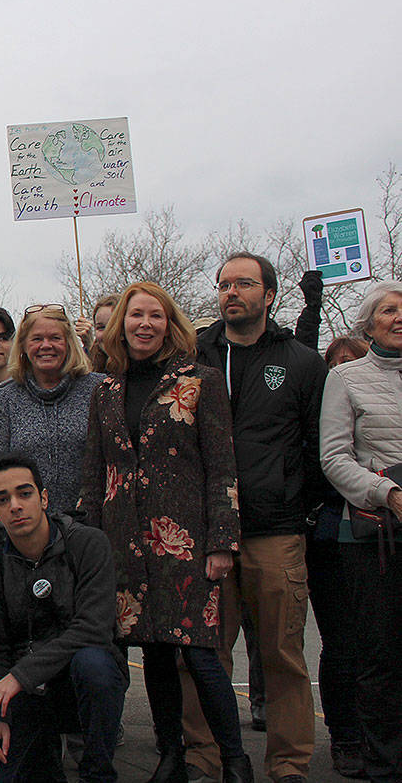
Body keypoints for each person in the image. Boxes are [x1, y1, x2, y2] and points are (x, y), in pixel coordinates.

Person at [80, 281, 253, 783]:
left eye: (155, 316)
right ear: (121, 325)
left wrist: (223, 541)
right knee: (153, 653)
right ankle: (170, 753)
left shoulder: (198, 382)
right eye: (136, 316)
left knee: (200, 654)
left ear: (169, 325)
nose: (145, 325)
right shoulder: (104, 390)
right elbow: (96, 472)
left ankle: (235, 759)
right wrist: (90, 543)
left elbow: (223, 467)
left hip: (185, 542)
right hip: (122, 543)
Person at [183, 253, 323, 783]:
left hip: (275, 531)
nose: (230, 292)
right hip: (203, 534)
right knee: (203, 654)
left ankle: (288, 765)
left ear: (269, 294)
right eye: (222, 284)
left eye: (244, 283)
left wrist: (293, 500)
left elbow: (315, 444)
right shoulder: (191, 355)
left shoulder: (301, 361)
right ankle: (204, 758)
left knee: (283, 657)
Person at [0, 453, 127, 783]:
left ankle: (98, 772)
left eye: (24, 493)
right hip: (26, 699)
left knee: (94, 664)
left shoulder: (88, 544)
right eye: (3, 499)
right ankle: (43, 760)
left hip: (79, 686)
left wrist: (21, 675)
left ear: (43, 498)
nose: (15, 505)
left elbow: (93, 628)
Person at [320, 283, 402, 782]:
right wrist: (387, 493)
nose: (399, 318)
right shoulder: (347, 378)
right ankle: (385, 762)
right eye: (389, 311)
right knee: (382, 655)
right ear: (369, 323)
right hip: (377, 538)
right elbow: (334, 457)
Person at [304, 334, 369, 779]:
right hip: (329, 536)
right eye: (335, 363)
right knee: (341, 643)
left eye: (352, 361)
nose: (342, 368)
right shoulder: (316, 415)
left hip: (377, 535)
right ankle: (345, 736)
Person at [0, 304, 102, 516]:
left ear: (69, 343)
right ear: (23, 345)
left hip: (92, 528)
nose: (46, 346)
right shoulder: (6, 399)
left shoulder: (98, 390)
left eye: (55, 338)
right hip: (30, 531)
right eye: (37, 339)